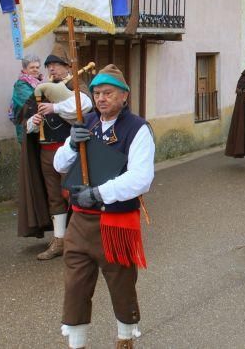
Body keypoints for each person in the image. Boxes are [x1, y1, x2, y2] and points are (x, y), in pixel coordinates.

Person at [53, 65, 154, 349]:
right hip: (80, 222)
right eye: (96, 93)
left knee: (121, 285)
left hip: (116, 223)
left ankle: (125, 338)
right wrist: (72, 145)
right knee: (75, 286)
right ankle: (76, 344)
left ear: (124, 96)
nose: (101, 99)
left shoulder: (137, 129)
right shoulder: (86, 123)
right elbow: (59, 164)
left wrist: (99, 193)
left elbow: (141, 179)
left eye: (108, 93)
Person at [22, 44, 93, 260]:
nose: (52, 69)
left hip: (71, 150)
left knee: (73, 193)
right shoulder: (43, 88)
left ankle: (80, 238)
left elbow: (86, 106)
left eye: (56, 65)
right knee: (54, 196)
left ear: (67, 66)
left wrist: (56, 108)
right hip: (46, 151)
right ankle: (59, 240)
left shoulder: (75, 84)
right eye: (49, 65)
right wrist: (33, 122)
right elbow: (25, 121)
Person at [10, 55, 43, 143]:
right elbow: (32, 102)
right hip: (25, 125)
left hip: (36, 124)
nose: (35, 69)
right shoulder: (21, 84)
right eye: (32, 67)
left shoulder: (39, 82)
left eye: (37, 67)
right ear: (25, 70)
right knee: (28, 155)